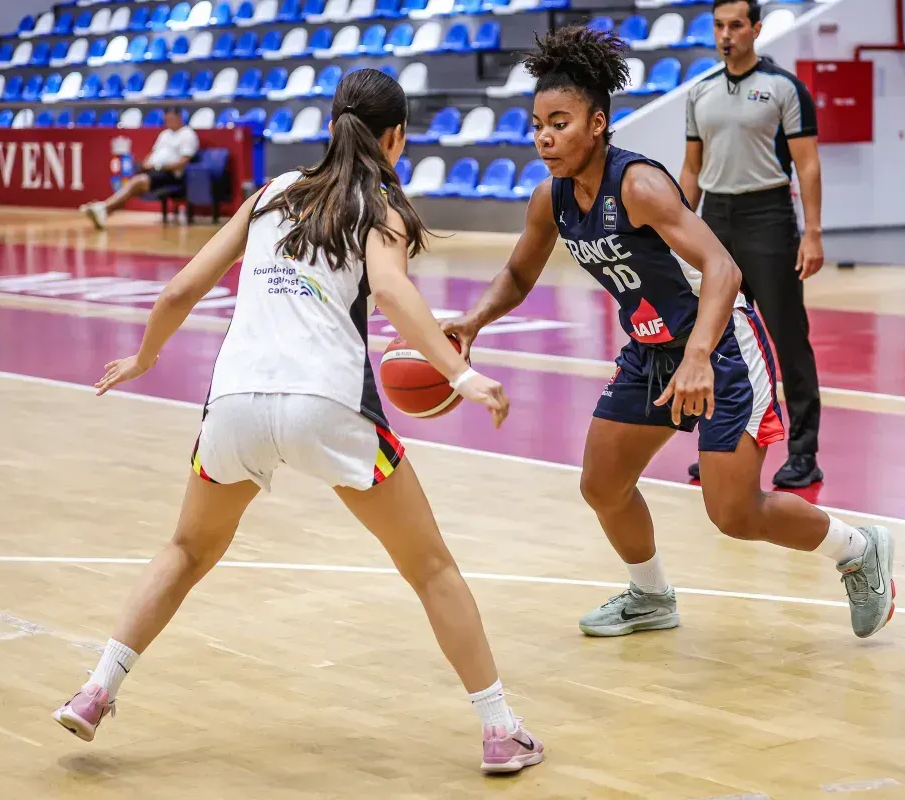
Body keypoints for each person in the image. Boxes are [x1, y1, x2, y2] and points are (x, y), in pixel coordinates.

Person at [52, 69, 545, 775]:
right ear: (396, 138)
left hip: (235, 405)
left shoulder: (270, 193)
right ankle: (500, 731)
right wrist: (461, 373)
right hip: (327, 406)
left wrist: (143, 357)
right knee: (432, 568)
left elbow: (180, 288)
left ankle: (97, 689)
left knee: (186, 551)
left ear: (332, 123)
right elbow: (392, 290)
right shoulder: (380, 205)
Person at [443, 27, 894, 641]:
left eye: (561, 122)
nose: (545, 138)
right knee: (602, 483)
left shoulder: (639, 186)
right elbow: (520, 272)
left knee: (733, 513)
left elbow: (723, 269)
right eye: (537, 124)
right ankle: (651, 597)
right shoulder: (550, 198)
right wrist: (472, 321)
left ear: (597, 123)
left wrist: (701, 356)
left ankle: (858, 549)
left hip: (723, 346)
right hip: (652, 351)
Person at [682, 0, 826, 488]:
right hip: (716, 218)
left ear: (755, 29)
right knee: (719, 337)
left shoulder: (784, 88)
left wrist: (813, 232)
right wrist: (677, 227)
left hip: (768, 217)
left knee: (787, 337)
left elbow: (807, 164)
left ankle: (804, 453)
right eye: (719, 26)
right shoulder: (699, 92)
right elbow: (692, 169)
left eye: (736, 25)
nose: (726, 35)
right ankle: (724, 446)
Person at [80, 107, 199, 231]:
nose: (168, 122)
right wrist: (146, 163)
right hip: (154, 171)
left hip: (171, 174)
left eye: (170, 119)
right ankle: (104, 210)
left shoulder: (188, 135)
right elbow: (153, 152)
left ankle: (103, 208)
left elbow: (183, 162)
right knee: (132, 189)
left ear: (179, 118)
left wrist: (159, 166)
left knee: (137, 182)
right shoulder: (165, 134)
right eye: (166, 120)